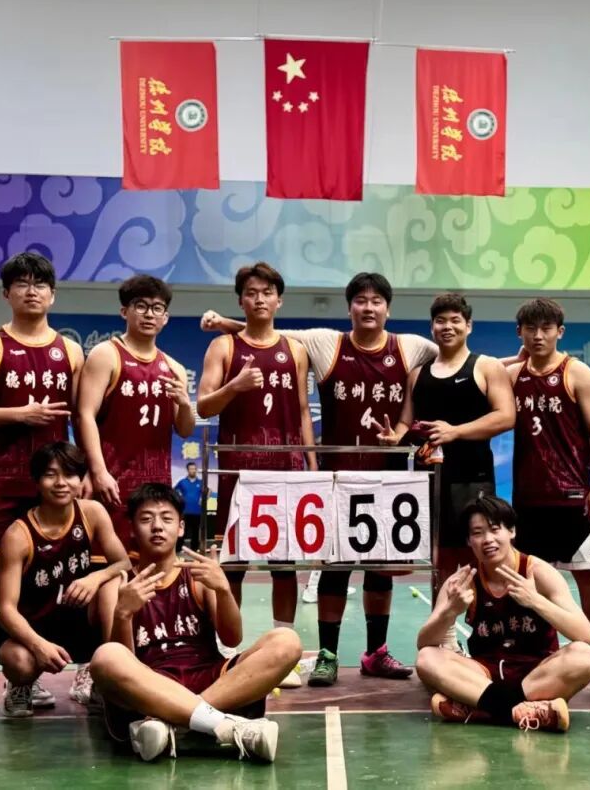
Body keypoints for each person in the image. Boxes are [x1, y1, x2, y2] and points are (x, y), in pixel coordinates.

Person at [201, 271, 432, 685]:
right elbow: (269, 332)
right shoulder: (326, 343)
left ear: (388, 307)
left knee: (379, 570)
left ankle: (375, 652)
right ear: (349, 308)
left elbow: (455, 357)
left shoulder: (412, 346)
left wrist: (403, 429)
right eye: (360, 300)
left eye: (376, 301)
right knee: (330, 568)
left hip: (387, 477)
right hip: (334, 478)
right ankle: (323, 654)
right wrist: (225, 327)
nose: (368, 307)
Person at [0, 252, 85, 715]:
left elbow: (81, 416)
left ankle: (21, 679)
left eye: (40, 283)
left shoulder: (71, 351)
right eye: (22, 283)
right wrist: (19, 414)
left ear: (53, 294)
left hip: (50, 481)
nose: (32, 291)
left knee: (39, 580)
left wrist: (85, 472)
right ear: (7, 293)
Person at [90, 483, 301, 763]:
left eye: (166, 519)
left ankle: (176, 722)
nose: (157, 526)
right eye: (146, 519)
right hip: (151, 684)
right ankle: (223, 725)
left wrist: (223, 590)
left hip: (210, 678)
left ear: (180, 528)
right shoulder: (116, 586)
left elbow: (232, 638)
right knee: (106, 657)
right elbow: (122, 658)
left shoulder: (197, 576)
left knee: (287, 641)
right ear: (132, 529)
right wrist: (123, 614)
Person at [75, 274, 196, 696]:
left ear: (166, 318)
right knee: (104, 576)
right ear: (124, 311)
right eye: (141, 306)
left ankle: (141, 663)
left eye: (157, 308)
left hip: (154, 491)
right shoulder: (107, 355)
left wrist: (184, 401)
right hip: (112, 486)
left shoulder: (173, 368)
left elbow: (185, 428)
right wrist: (98, 470)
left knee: (148, 578)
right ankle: (92, 665)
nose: (149, 314)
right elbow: (85, 414)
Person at [196, 262, 315, 687]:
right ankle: (227, 651)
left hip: (286, 471)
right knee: (233, 566)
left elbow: (303, 411)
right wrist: (236, 386)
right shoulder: (223, 347)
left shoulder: (295, 350)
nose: (260, 299)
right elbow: (203, 405)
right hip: (238, 472)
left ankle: (285, 652)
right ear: (241, 300)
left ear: (279, 300)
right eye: (251, 292)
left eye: (267, 292)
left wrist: (311, 465)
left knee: (285, 566)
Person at [414, 496, 590, 733]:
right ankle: (523, 711)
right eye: (477, 533)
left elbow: (584, 634)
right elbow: (424, 643)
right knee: (427, 659)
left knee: (584, 657)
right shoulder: (463, 581)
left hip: (538, 674)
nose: (487, 539)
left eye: (494, 529)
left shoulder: (538, 572)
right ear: (469, 541)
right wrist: (449, 611)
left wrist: (535, 601)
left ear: (511, 531)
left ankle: (481, 709)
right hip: (484, 676)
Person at [376, 293, 515, 599]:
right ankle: (443, 625)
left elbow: (506, 416)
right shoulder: (417, 374)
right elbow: (406, 422)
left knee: (478, 555)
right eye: (440, 321)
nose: (447, 327)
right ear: (432, 327)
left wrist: (456, 432)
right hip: (429, 481)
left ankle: (481, 622)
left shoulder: (487, 367)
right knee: (440, 562)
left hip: (473, 480)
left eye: (455, 320)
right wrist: (395, 438)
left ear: (469, 326)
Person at [506, 298, 590, 677]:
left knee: (589, 583)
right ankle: (537, 655)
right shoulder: (513, 376)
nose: (538, 335)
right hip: (529, 503)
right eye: (530, 329)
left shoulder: (576, 372)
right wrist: (514, 359)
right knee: (529, 583)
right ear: (520, 332)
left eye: (546, 328)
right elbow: (479, 372)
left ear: (559, 332)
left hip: (573, 500)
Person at [0, 442, 130, 716]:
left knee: (114, 584)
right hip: (32, 628)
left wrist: (95, 578)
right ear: (36, 481)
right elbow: (5, 609)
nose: (61, 483)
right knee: (21, 663)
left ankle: (108, 681)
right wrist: (38, 645)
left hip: (76, 620)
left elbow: (123, 562)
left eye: (69, 474)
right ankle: (20, 685)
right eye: (50, 475)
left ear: (80, 480)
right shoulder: (18, 535)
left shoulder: (92, 513)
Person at [174, 462, 204, 551]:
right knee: (183, 530)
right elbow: (175, 491)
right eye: (191, 469)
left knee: (195, 531)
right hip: (185, 511)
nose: (193, 470)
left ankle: (194, 549)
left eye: (194, 469)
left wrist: (203, 498)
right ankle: (178, 549)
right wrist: (180, 498)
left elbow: (208, 491)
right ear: (188, 470)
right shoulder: (182, 482)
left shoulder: (201, 482)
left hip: (197, 511)